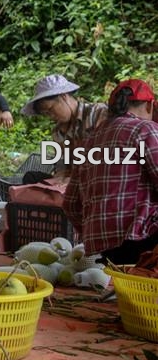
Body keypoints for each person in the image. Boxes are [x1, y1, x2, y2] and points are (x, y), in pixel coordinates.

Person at [63, 79, 158, 264]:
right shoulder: (145, 129)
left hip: (106, 250)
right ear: (149, 105)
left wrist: (94, 231)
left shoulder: (89, 142)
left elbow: (70, 205)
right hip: (144, 239)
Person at [21, 74, 108, 182]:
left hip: (98, 178)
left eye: (51, 109)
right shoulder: (58, 132)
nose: (50, 116)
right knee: (31, 177)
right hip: (71, 183)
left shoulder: (98, 113)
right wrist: (60, 177)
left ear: (63, 96)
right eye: (46, 113)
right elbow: (62, 165)